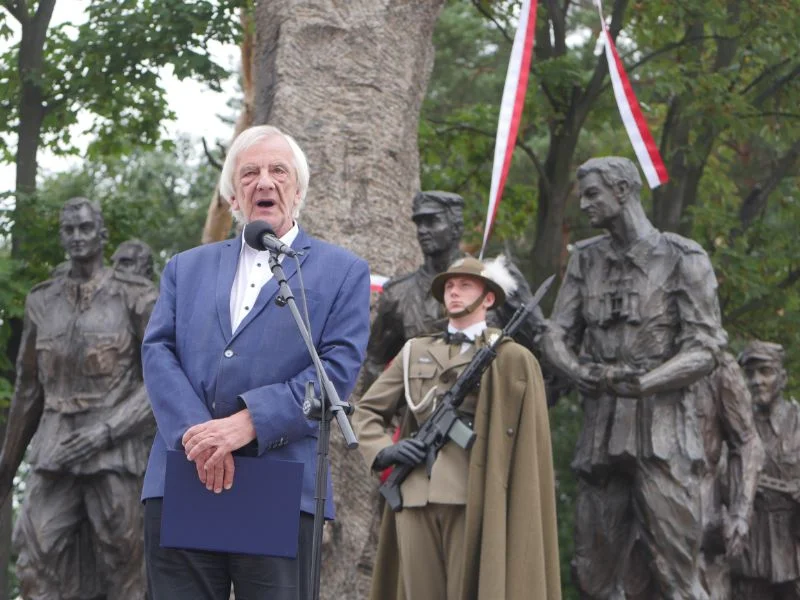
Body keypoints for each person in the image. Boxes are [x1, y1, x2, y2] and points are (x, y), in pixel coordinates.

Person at [140, 124, 371, 600]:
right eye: (249, 173)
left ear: (298, 189)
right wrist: (198, 436)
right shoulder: (185, 267)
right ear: (232, 197)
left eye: (277, 170)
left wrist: (246, 424)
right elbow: (157, 351)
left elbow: (335, 372)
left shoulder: (343, 272)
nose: (264, 182)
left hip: (280, 482)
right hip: (185, 473)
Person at [541, 156, 728, 599]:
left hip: (662, 433)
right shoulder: (586, 260)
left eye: (592, 194)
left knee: (677, 575)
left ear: (622, 191)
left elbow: (706, 347)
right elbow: (555, 333)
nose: (583, 205)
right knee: (593, 574)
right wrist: (575, 370)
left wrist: (648, 382)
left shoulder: (684, 258)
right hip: (601, 433)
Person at [354, 256, 561, 600]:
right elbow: (367, 411)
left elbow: (523, 436)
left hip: (473, 494)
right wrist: (385, 450)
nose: (454, 292)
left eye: (465, 285)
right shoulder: (415, 351)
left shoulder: (510, 358)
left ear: (489, 298)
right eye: (449, 286)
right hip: (415, 490)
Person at [0, 197, 158, 599]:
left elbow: (162, 380)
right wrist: (7, 466)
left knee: (123, 563)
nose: (76, 237)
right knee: (34, 555)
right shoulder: (41, 301)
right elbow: (28, 389)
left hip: (115, 454)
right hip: (54, 453)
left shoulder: (136, 297)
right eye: (68, 229)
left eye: (85, 228)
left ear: (102, 234)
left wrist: (106, 431)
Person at [356, 190, 544, 397]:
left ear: (456, 228)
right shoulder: (398, 294)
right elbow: (374, 361)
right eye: (419, 223)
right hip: (425, 414)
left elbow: (537, 340)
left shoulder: (496, 281)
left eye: (432, 221)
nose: (422, 230)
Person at [732, 341, 800, 600]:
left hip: (793, 550)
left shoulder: (798, 423)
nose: (756, 380)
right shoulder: (736, 428)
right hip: (751, 554)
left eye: (765, 371)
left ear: (782, 378)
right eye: (749, 374)